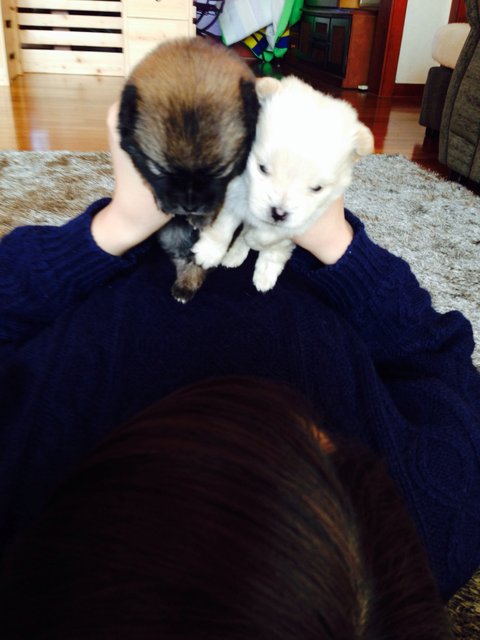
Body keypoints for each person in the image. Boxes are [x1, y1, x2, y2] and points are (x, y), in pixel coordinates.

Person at [0, 104, 479, 604]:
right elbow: (436, 355)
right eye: (307, 448)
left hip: (142, 248)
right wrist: (337, 245)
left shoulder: (18, 489)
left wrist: (116, 227)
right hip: (296, 258)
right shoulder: (422, 540)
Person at [0, 377, 452, 638]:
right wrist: (348, 259)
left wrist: (92, 246)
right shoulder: (436, 515)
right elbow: (440, 363)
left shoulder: (22, 456)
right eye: (324, 454)